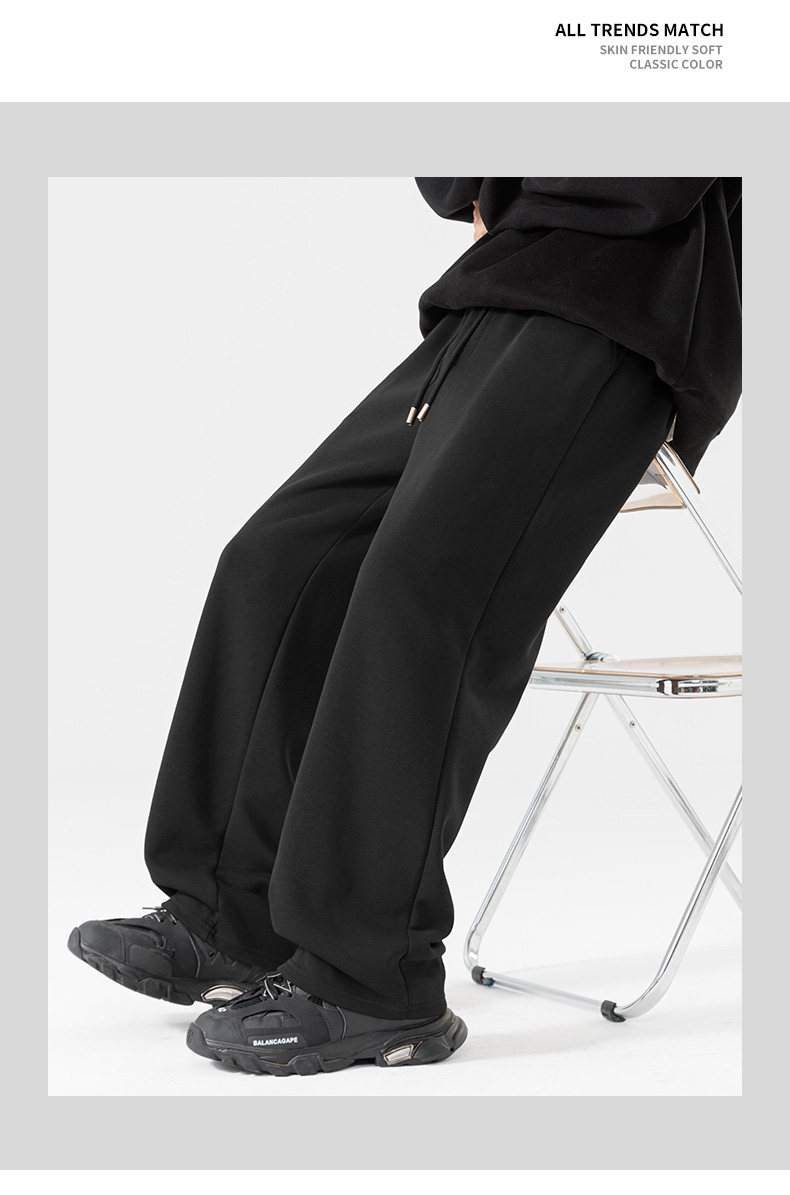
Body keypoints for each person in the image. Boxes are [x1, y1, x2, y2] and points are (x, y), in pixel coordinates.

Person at [69, 177, 742, 1076]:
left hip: (632, 303)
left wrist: (512, 171)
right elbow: (452, 181)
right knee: (274, 563)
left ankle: (374, 978)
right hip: (489, 299)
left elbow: (649, 180)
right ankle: (229, 915)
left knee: (416, 589)